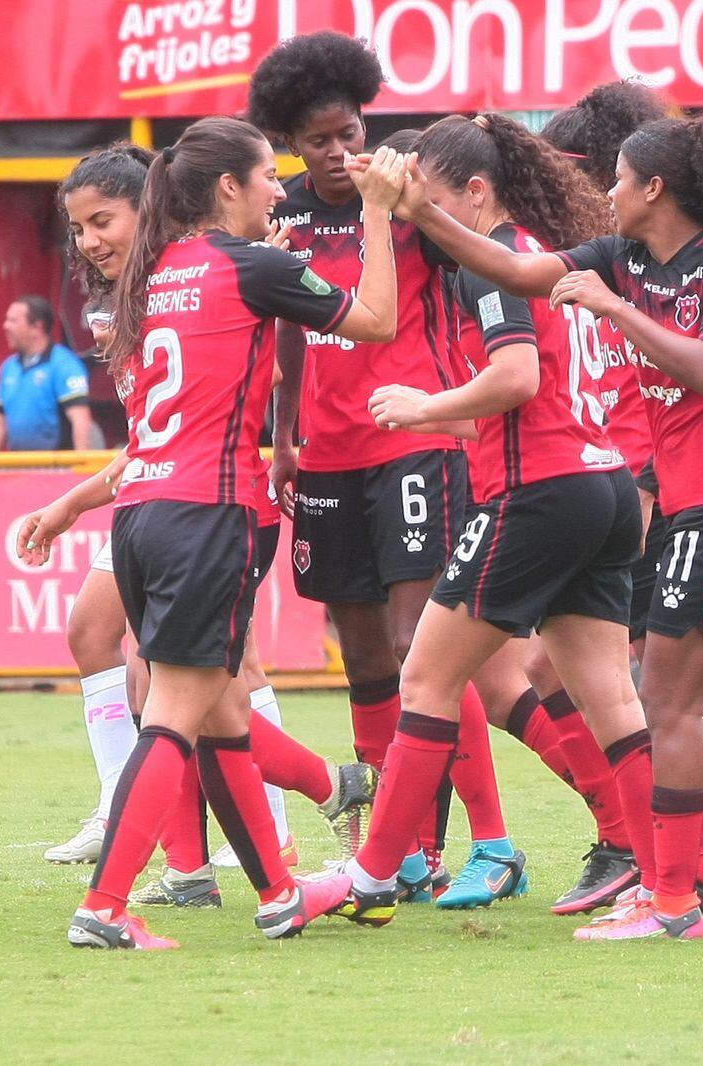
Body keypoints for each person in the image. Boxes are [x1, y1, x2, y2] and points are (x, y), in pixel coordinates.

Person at [390, 101, 703, 941]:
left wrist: (616, 310)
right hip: (696, 508)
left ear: (656, 187)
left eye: (622, 178)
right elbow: (515, 270)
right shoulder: (624, 256)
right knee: (683, 711)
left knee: (666, 708)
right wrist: (421, 213)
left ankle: (672, 902)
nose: (609, 192)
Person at [18, 116, 407, 949]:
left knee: (224, 714)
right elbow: (377, 320)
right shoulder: (250, 265)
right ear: (228, 185)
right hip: (210, 513)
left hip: (141, 515)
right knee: (176, 715)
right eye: (268, 175)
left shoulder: (147, 278)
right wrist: (375, 211)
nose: (279, 190)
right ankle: (105, 907)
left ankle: (280, 892)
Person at [329, 112, 662, 934]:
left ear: (476, 193)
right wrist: (443, 418)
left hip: (539, 493)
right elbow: (524, 405)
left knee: (425, 680)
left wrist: (422, 407)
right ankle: (668, 881)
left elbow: (515, 379)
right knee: (612, 699)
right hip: (601, 485)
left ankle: (373, 875)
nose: (428, 223)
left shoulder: (495, 262)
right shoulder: (544, 255)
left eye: (436, 204)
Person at [247, 32, 528, 909]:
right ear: (292, 144)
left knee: (421, 648)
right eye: (319, 140)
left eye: (350, 132)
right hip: (327, 455)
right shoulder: (285, 214)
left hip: (415, 441)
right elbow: (289, 325)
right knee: (364, 656)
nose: (340, 152)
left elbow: (487, 259)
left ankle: (492, 840)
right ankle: (401, 850)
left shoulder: (406, 202)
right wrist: (285, 438)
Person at [527, 80, 703, 916]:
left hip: (653, 490)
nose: (584, 186)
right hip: (633, 482)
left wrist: (645, 490)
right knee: (665, 694)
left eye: (585, 170)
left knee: (660, 693)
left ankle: (653, 850)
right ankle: (685, 860)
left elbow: (661, 388)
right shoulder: (617, 259)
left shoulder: (655, 267)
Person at [0, 295, 95, 451]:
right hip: (18, 464)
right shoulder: (9, 367)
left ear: (37, 327)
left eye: (13, 320)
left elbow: (80, 419)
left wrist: (82, 462)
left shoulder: (64, 364)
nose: (5, 326)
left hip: (57, 464)